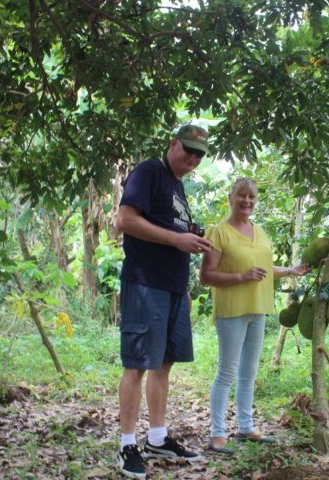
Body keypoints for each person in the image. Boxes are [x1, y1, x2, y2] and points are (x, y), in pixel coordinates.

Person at [114, 125, 214, 479]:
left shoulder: (178, 187)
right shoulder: (149, 172)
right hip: (145, 284)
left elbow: (175, 236)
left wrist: (188, 242)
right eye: (188, 150)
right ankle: (127, 444)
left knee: (164, 363)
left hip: (172, 289)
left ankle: (157, 438)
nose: (193, 158)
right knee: (137, 364)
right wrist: (176, 238)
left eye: (200, 154)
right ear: (173, 144)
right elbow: (124, 220)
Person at [200, 178, 310, 454]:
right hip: (232, 310)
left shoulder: (259, 231)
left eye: (251, 197)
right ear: (231, 198)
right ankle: (217, 434)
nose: (246, 201)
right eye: (241, 195)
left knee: (249, 373)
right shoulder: (218, 232)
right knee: (227, 371)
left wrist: (290, 271)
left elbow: (263, 267)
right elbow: (206, 276)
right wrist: (241, 276)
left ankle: (246, 427)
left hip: (259, 308)